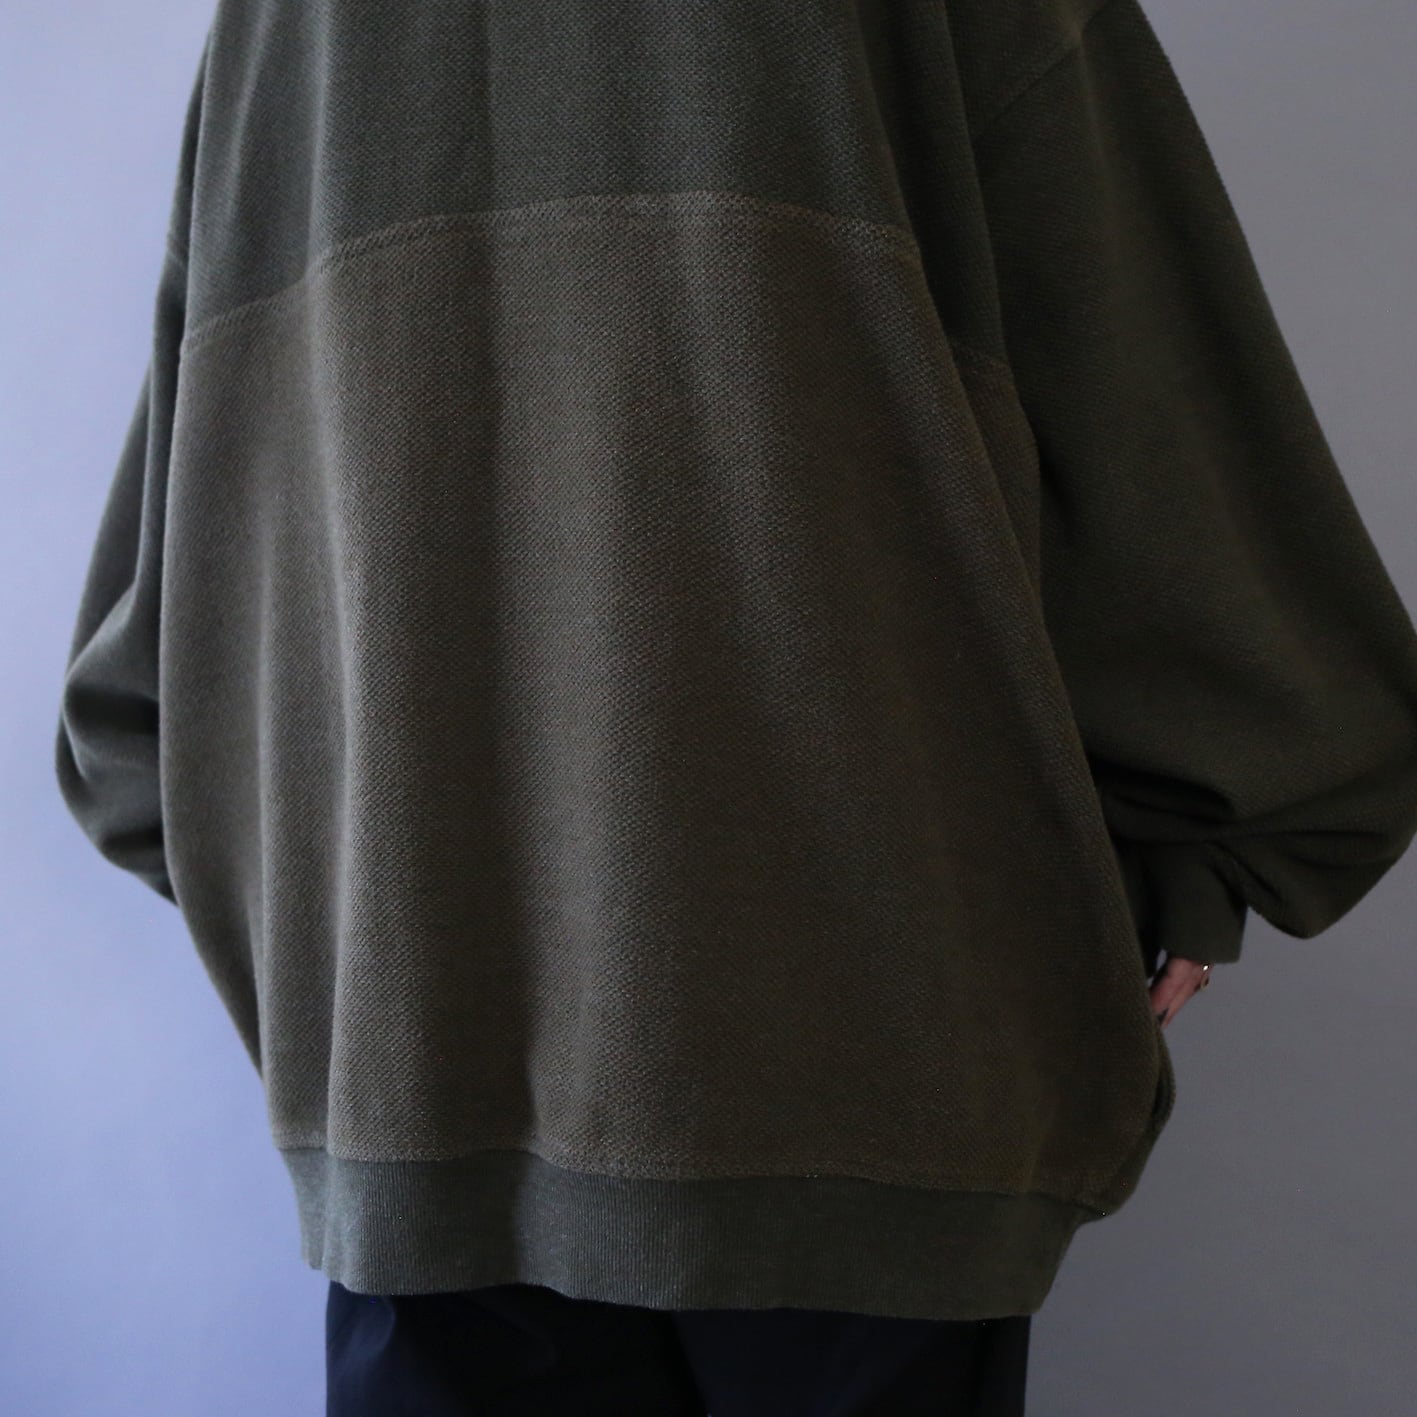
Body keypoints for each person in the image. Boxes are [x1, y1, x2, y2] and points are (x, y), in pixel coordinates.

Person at [53, 1, 1417, 1413]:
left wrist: (313, 898)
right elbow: (1141, 375)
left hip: (417, 1049)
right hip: (858, 1046)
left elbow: (171, 599)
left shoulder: (285, 21)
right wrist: (1229, 823)